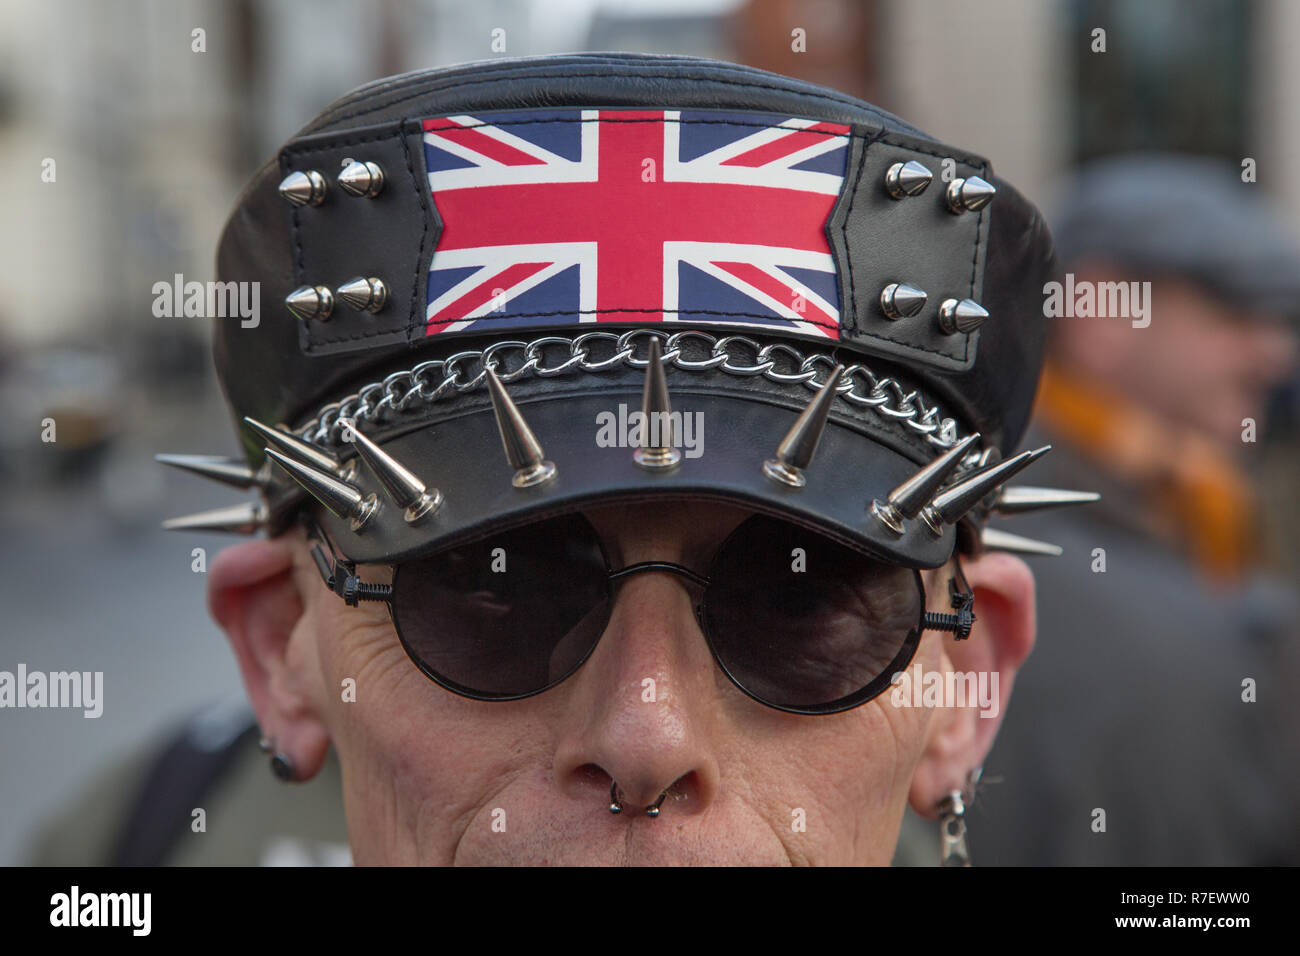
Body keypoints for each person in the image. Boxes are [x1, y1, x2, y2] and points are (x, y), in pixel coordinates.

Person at [44, 53, 1082, 866]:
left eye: (796, 602)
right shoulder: (125, 844)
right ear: (283, 646)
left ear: (967, 682)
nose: (645, 736)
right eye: (497, 591)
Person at [965, 154, 1300, 865]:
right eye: (1233, 312)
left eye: (1281, 322)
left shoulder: (1191, 506)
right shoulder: (992, 530)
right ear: (1099, 314)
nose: (1274, 355)